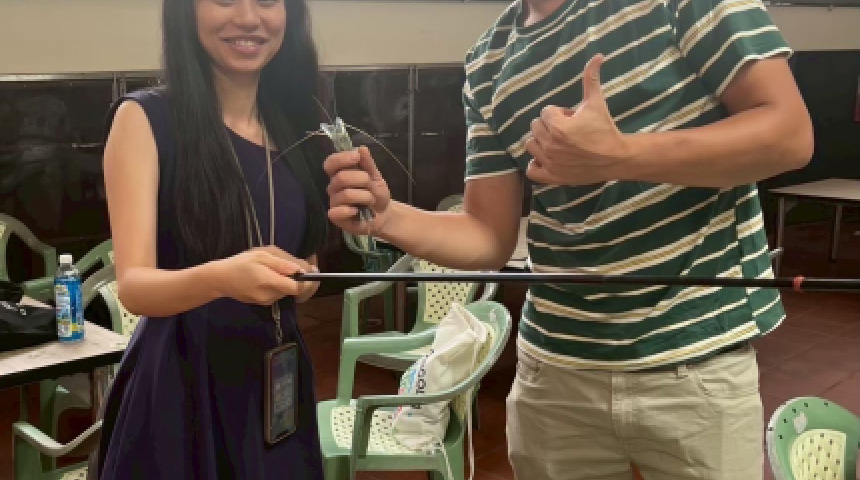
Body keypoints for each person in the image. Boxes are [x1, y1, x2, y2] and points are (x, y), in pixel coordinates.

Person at [324, 0, 814, 478]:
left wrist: (622, 156)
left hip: (696, 358)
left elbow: (789, 134)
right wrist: (388, 218)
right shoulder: (489, 61)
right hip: (554, 373)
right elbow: (487, 235)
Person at [90, 0, 328, 478]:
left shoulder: (296, 125)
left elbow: (310, 264)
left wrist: (302, 280)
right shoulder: (145, 118)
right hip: (181, 383)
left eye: (267, 1)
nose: (249, 18)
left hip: (274, 375)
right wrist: (223, 278)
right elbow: (134, 286)